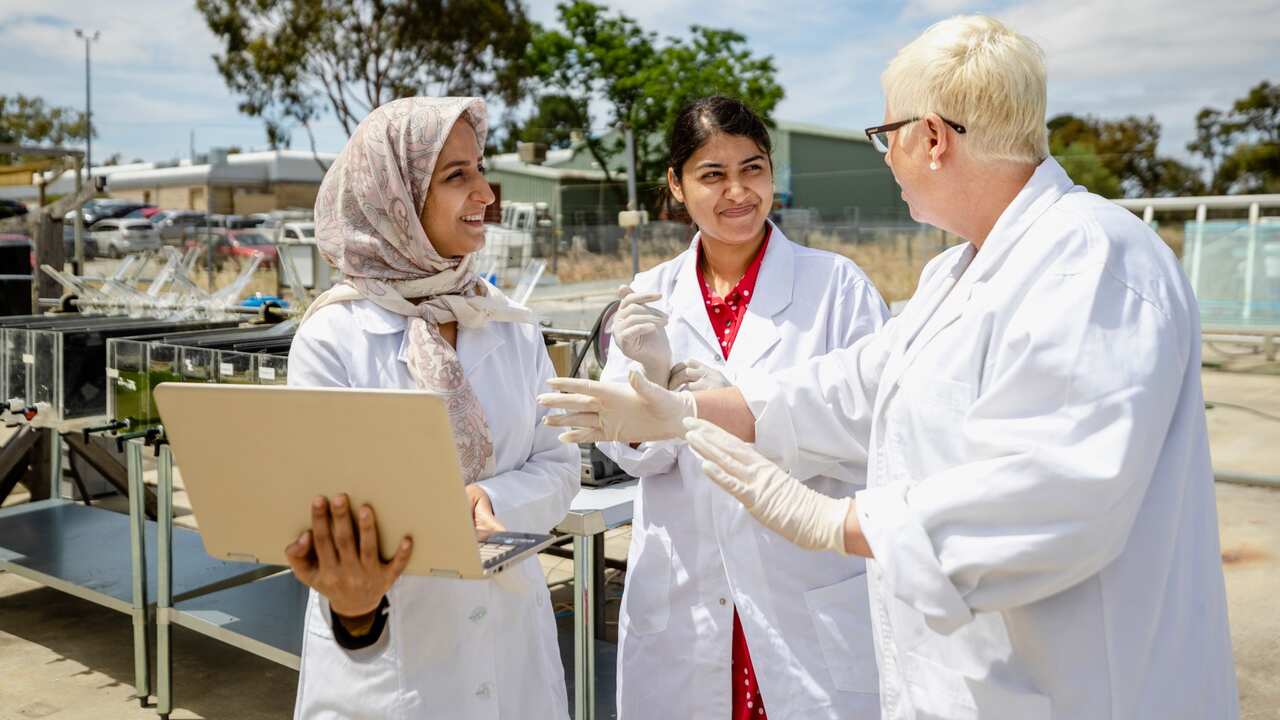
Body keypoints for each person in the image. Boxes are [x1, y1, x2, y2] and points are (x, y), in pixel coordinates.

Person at [540, 16, 1240, 719]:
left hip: (1072, 684)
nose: (884, 156)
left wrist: (832, 520)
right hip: (965, 672)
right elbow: (848, 389)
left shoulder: (1089, 262)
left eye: (886, 136)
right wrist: (687, 412)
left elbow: (1054, 495)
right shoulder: (957, 273)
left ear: (932, 137)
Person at [284, 97, 578, 720]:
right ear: (394, 197)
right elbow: (324, 512)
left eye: (480, 168)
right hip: (390, 663)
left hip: (510, 649)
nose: (486, 194)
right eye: (456, 176)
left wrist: (495, 501)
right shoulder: (333, 337)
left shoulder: (504, 322)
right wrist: (356, 598)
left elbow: (561, 464)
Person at [599, 96, 887, 720]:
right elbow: (626, 453)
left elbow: (872, 425)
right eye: (712, 174)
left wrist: (718, 407)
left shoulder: (837, 287)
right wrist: (648, 378)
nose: (738, 191)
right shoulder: (650, 296)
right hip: (686, 600)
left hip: (801, 584)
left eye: (752, 169)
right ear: (676, 185)